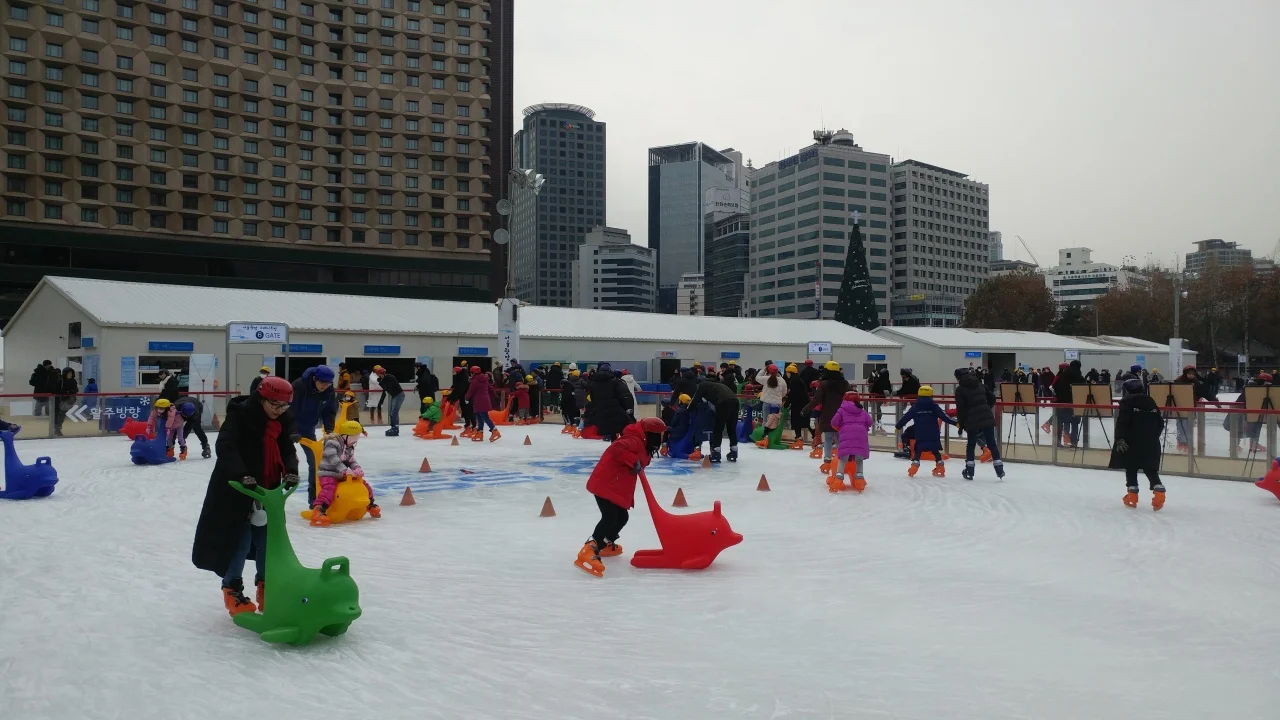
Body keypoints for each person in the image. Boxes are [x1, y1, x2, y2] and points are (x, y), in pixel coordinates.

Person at [191, 375, 299, 616]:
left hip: (268, 491)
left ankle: (267, 588)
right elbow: (226, 447)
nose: (279, 411)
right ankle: (232, 589)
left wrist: (291, 471)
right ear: (261, 399)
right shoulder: (240, 416)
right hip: (237, 490)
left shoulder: (283, 420)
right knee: (239, 543)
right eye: (275, 405)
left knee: (267, 543)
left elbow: (287, 449)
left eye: (284, 406)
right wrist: (242, 475)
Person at [575, 416, 666, 578]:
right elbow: (616, 449)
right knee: (610, 516)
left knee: (622, 517)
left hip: (616, 486)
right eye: (658, 435)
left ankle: (605, 544)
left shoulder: (644, 444)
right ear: (649, 434)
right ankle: (589, 549)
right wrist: (632, 460)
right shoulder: (633, 440)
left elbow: (641, 459)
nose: (660, 438)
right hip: (605, 483)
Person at [1110, 378, 1167, 510]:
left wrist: (1119, 438)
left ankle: (1132, 496)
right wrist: (1153, 436)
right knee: (1150, 468)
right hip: (1151, 441)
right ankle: (1159, 493)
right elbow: (1160, 422)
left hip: (1131, 439)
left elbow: (1122, 421)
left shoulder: (1127, 402)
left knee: (1131, 466)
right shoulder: (1150, 401)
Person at [311, 420, 380, 526]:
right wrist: (344, 470)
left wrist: (357, 469)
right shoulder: (332, 443)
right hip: (328, 473)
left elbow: (351, 460)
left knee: (364, 485)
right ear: (346, 436)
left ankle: (370, 505)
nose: (355, 441)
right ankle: (319, 510)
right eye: (354, 438)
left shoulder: (349, 446)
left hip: (342, 474)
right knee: (329, 489)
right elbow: (333, 459)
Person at [290, 365, 337, 504]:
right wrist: (291, 430)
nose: (325, 386)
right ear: (315, 378)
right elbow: (289, 410)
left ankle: (314, 497)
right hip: (288, 428)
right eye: (322, 382)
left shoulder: (328, 390)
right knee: (283, 460)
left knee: (315, 462)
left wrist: (329, 430)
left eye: (328, 383)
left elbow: (329, 410)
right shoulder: (299, 386)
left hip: (308, 429)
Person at [954, 368, 1005, 481]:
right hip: (986, 416)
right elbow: (992, 397)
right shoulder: (979, 384)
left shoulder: (960, 389)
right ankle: (999, 469)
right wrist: (986, 407)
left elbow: (961, 409)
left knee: (971, 445)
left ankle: (970, 471)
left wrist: (961, 425)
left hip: (971, 419)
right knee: (991, 443)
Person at [896, 386, 955, 477]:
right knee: (935, 450)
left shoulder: (916, 407)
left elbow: (906, 417)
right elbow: (944, 417)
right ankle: (940, 466)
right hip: (933, 433)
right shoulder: (934, 406)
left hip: (920, 432)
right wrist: (955, 423)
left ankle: (914, 466)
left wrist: (898, 426)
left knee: (918, 450)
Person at [805, 361, 851, 474]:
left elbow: (816, 400)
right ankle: (842, 461)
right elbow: (851, 397)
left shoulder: (823, 384)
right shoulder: (845, 384)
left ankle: (827, 460)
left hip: (828, 416)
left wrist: (805, 410)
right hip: (842, 415)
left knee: (828, 439)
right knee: (840, 439)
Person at [828, 391, 873, 493]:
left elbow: (833, 422)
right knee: (859, 459)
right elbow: (870, 422)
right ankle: (859, 480)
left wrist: (840, 428)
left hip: (846, 437)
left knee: (843, 459)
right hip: (860, 437)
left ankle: (838, 480)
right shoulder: (862, 411)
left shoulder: (842, 410)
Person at [688, 373, 739, 463]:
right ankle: (734, 451)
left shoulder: (702, 386)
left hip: (723, 403)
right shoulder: (718, 385)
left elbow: (695, 400)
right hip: (735, 401)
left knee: (718, 428)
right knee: (731, 428)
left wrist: (687, 410)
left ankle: (716, 453)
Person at [586, 363, 634, 442]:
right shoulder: (614, 382)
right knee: (623, 428)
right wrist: (626, 408)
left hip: (601, 411)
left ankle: (613, 446)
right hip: (615, 410)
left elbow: (592, 398)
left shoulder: (593, 384)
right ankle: (624, 445)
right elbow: (623, 396)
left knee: (611, 430)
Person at [1052, 360, 1085, 447]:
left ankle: (1058, 442)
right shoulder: (1079, 376)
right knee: (1074, 424)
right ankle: (1074, 442)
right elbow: (1083, 390)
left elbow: (1054, 387)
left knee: (1060, 422)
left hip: (1061, 404)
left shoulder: (1062, 375)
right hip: (1075, 404)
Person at [1173, 365, 1205, 452]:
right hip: (1180, 406)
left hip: (1191, 407)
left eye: (1192, 373)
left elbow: (1200, 392)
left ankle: (1188, 442)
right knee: (1181, 425)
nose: (1191, 375)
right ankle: (1181, 442)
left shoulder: (1196, 382)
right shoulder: (1179, 381)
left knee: (1189, 425)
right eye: (1189, 373)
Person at [755, 364, 788, 448]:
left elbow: (757, 377)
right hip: (777, 404)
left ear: (768, 370)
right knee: (774, 422)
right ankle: (772, 439)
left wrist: (764, 369)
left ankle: (764, 439)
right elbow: (784, 392)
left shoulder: (766, 379)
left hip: (766, 403)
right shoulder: (782, 380)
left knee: (766, 421)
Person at [464, 365, 500, 442]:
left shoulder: (475, 381)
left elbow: (471, 391)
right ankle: (480, 432)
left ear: (473, 372)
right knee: (479, 417)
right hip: (484, 400)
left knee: (484, 417)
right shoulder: (484, 379)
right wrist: (495, 397)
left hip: (479, 401)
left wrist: (466, 398)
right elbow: (490, 389)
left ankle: (494, 430)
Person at [373, 365, 405, 437]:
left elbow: (389, 388)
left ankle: (395, 428)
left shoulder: (390, 377)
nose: (378, 376)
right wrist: (381, 382)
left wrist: (381, 382)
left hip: (399, 395)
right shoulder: (384, 379)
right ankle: (393, 426)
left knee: (394, 412)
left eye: (379, 375)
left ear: (382, 374)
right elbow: (386, 389)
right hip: (394, 396)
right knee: (391, 412)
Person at [785, 363, 811, 448]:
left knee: (798, 422)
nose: (786, 374)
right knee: (804, 422)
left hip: (799, 405)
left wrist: (786, 404)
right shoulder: (797, 379)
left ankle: (800, 439)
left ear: (791, 372)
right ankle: (801, 439)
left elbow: (792, 394)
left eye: (787, 372)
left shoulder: (794, 381)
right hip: (802, 404)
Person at [51, 366, 79, 437]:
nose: (70, 375)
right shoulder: (60, 381)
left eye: (71, 373)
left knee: (62, 414)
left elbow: (76, 390)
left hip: (68, 401)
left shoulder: (73, 381)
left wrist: (70, 392)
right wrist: (63, 393)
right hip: (59, 400)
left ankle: (58, 428)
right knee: (58, 414)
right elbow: (55, 391)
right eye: (68, 373)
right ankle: (57, 429)